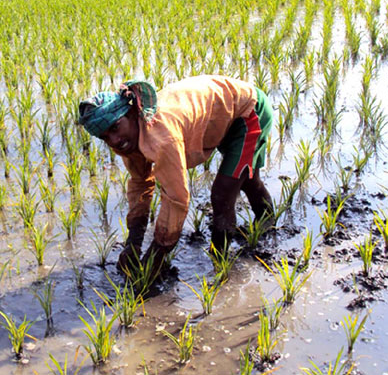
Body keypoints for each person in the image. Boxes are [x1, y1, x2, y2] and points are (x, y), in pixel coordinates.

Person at [78, 75, 274, 275]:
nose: (115, 140)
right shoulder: (128, 141)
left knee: (223, 193)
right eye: (105, 137)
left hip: (248, 112)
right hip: (224, 114)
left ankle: (220, 262)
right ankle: (267, 219)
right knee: (245, 177)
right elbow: (140, 184)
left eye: (115, 127)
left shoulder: (162, 136)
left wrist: (158, 252)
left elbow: (177, 198)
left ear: (130, 114)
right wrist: (133, 242)